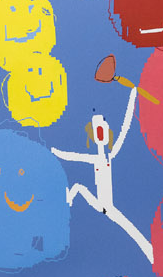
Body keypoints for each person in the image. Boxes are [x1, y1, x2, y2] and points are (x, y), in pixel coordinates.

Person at [51, 86, 153, 262]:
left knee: (130, 229)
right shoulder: (97, 158)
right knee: (80, 188)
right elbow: (74, 157)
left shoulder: (108, 156)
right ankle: (69, 199)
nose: (101, 131)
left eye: (102, 127)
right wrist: (57, 152)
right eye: (97, 129)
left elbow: (124, 128)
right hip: (102, 205)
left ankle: (150, 253)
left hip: (108, 206)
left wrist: (132, 98)